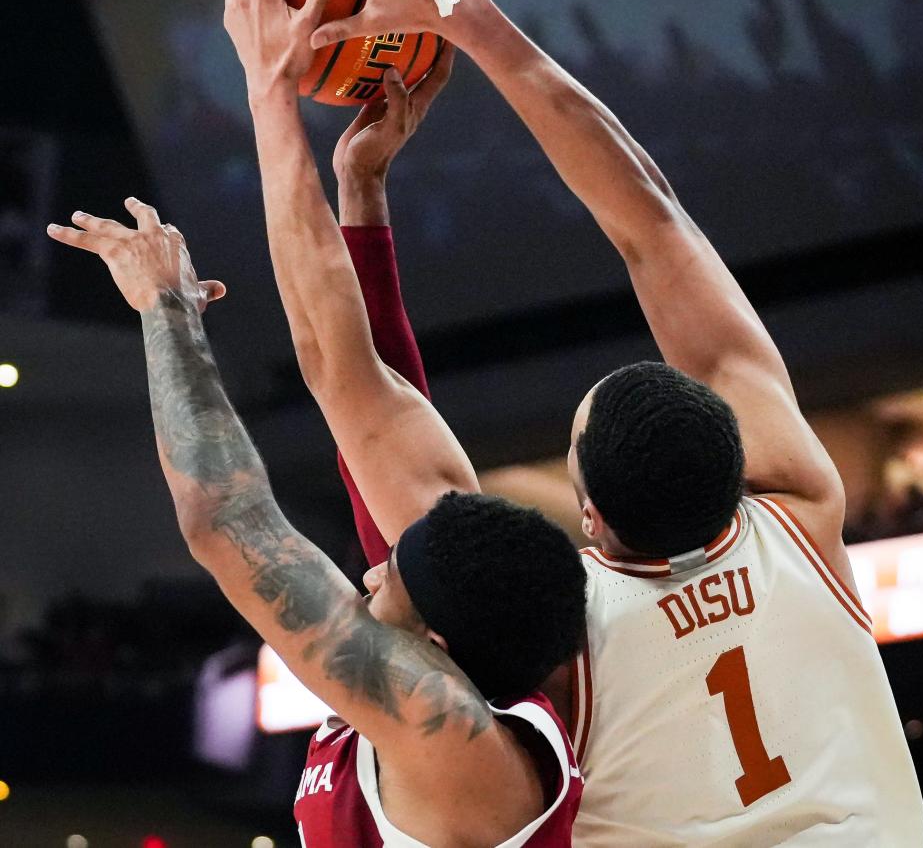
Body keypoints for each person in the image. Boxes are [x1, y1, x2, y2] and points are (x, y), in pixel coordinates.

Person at [264, 0, 923, 845]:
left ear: (590, 521)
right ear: (734, 455)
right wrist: (464, 20)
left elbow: (357, 388)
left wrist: (295, 100)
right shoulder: (796, 507)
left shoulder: (555, 635)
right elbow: (654, 226)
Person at [46, 196, 586, 845]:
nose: (372, 573)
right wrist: (357, 188)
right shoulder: (449, 686)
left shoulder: (444, 733)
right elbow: (362, 376)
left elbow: (225, 518)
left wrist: (166, 308)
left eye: (396, 575)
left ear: (435, 647)